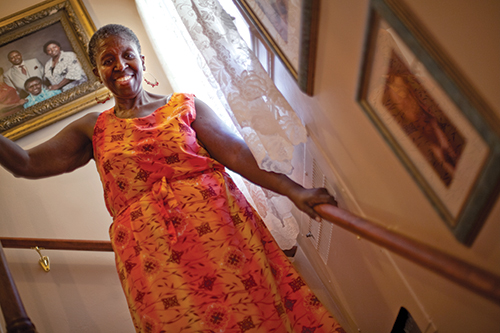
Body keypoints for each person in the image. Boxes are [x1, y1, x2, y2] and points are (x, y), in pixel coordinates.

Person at [0, 24, 345, 333]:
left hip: (222, 232)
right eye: (108, 60)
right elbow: (26, 163)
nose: (120, 65)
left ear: (142, 60)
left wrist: (295, 191)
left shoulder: (185, 106)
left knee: (256, 310)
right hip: (150, 255)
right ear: (96, 72)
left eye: (127, 54)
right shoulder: (92, 128)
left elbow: (238, 155)